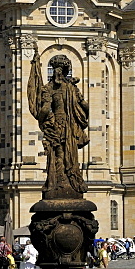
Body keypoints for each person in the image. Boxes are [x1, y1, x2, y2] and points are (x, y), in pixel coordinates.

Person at [28, 52, 90, 198]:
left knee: (57, 153)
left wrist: (42, 119)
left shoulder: (48, 88)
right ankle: (70, 179)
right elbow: (85, 105)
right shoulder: (72, 88)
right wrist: (83, 117)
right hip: (70, 125)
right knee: (69, 153)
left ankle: (59, 180)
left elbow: (44, 109)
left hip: (56, 124)